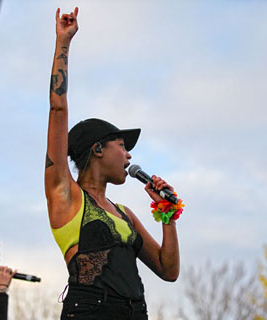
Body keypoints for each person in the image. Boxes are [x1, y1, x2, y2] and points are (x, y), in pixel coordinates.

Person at [45, 7, 183, 320]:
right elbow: (57, 110)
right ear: (97, 149)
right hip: (90, 311)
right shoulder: (65, 195)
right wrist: (63, 43)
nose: (129, 156)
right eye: (121, 146)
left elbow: (168, 270)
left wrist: (168, 217)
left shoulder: (125, 214)